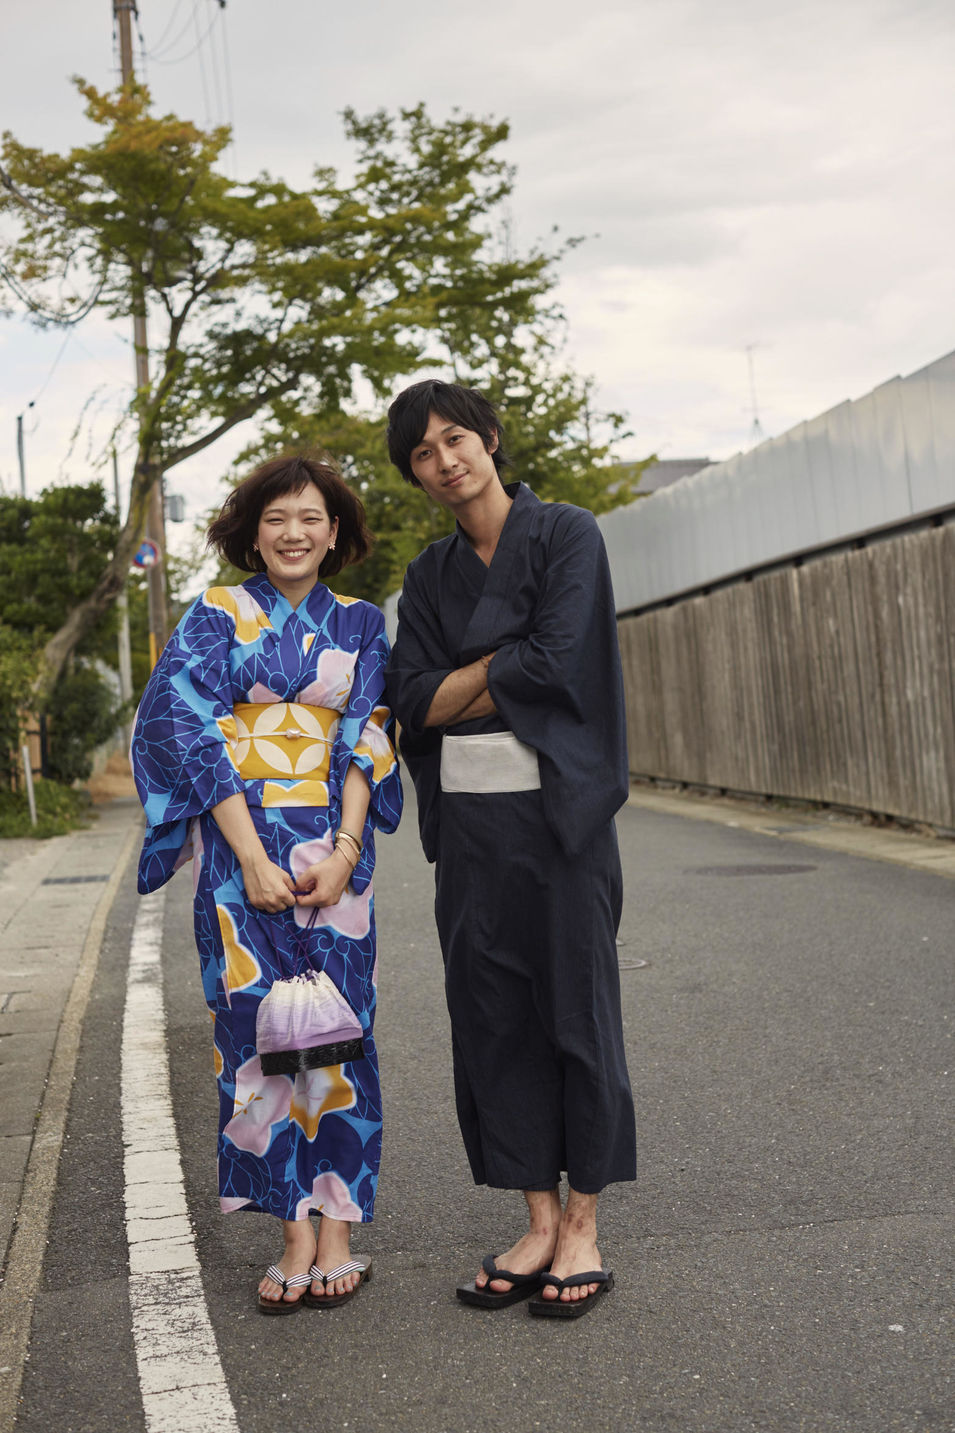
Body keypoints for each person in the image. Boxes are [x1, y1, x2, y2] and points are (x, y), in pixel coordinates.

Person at [384, 381, 636, 1318]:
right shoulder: (426, 575)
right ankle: (534, 1217)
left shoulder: (567, 533)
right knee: (492, 1016)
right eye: (423, 453)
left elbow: (560, 653)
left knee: (577, 1009)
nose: (445, 460)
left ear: (490, 440)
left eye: (456, 439)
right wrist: (492, 670)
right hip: (474, 830)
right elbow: (410, 700)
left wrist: (458, 681)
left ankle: (582, 1224)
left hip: (561, 818)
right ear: (414, 474)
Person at [131, 454, 402, 1315]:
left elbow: (367, 735)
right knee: (257, 1033)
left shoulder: (359, 623)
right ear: (252, 530)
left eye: (312, 517)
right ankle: (292, 1228)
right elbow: (183, 725)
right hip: (238, 849)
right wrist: (248, 854)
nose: (295, 532)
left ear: (335, 532)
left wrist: (348, 848)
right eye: (278, 517)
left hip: (334, 853)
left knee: (335, 1033)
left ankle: (338, 1228)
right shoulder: (215, 615)